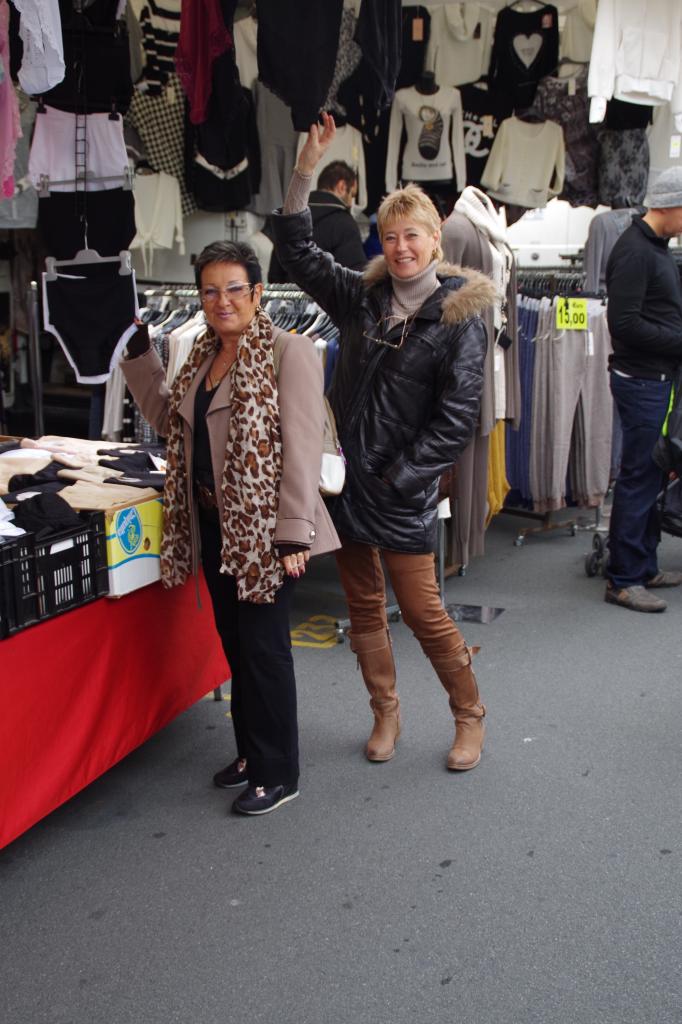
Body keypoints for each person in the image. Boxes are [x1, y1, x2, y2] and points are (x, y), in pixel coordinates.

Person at [271, 113, 496, 771]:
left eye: (414, 236)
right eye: (391, 236)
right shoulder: (362, 298)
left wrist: (404, 476)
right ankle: (385, 713)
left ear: (435, 242)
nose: (401, 248)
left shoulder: (459, 317)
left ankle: (469, 715)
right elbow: (297, 251)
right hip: (345, 488)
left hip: (399, 493)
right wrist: (305, 173)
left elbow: (454, 420)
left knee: (424, 614)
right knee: (363, 608)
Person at [121, 240, 339, 814]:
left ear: (257, 293)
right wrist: (141, 354)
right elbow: (171, 421)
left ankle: (279, 771)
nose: (222, 301)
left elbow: (302, 448)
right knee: (236, 645)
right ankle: (250, 751)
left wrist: (293, 532)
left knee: (265, 651)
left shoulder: (290, 351)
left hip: (267, 531)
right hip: (216, 526)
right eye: (210, 290)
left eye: (233, 289)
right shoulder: (199, 354)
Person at [604, 166, 682, 613]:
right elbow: (625, 325)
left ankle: (643, 565)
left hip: (654, 378)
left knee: (652, 474)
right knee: (638, 476)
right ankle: (623, 578)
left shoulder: (653, 247)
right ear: (668, 204)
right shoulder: (636, 251)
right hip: (641, 382)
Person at [268, 159, 366, 283]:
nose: (351, 203)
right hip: (325, 301)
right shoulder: (345, 223)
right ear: (342, 186)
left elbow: (274, 274)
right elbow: (354, 279)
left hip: (285, 299)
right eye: (352, 195)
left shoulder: (291, 216)